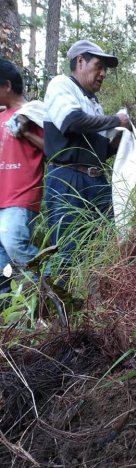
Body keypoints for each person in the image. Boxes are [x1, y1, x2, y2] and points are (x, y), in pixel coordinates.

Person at [43, 40, 131, 275]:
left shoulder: (94, 104)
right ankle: (56, 305)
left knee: (105, 244)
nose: (103, 74)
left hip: (96, 181)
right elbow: (72, 122)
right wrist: (116, 121)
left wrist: (123, 137)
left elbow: (101, 153)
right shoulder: (62, 85)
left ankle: (94, 304)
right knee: (67, 250)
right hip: (67, 180)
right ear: (80, 62)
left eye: (105, 70)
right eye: (99, 66)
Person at [0, 58, 44, 295]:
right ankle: (8, 313)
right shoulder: (1, 116)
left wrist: (26, 132)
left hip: (20, 196)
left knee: (14, 243)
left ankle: (50, 289)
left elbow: (53, 150)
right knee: (2, 264)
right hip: (2, 196)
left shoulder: (33, 112)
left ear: (7, 86)